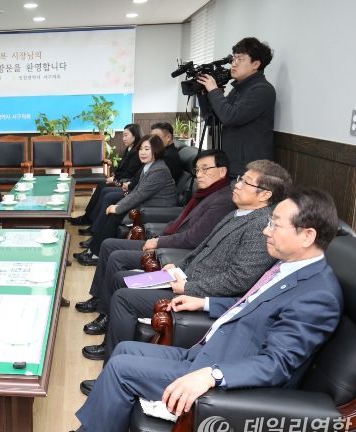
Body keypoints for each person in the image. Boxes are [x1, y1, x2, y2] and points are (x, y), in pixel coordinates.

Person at [33, 188, 342, 432]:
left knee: (121, 369)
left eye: (275, 224)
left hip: (227, 379)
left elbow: (277, 364)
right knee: (125, 350)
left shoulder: (317, 295)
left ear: (307, 235)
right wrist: (204, 302)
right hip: (208, 352)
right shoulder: (291, 267)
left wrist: (213, 375)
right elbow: (252, 306)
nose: (266, 230)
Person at [81, 159, 290, 367]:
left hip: (198, 292)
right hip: (184, 277)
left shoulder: (261, 227)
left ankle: (113, 362)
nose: (237, 184)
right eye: (240, 179)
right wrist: (178, 266)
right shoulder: (239, 212)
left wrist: (188, 287)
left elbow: (239, 279)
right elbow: (203, 248)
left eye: (246, 182)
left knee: (123, 299)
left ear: (265, 194)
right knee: (120, 279)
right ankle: (110, 343)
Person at [75, 149, 235, 335]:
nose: (199, 174)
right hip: (170, 244)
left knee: (117, 256)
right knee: (109, 245)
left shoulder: (221, 201)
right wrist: (159, 237)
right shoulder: (205, 193)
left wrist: (160, 242)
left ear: (222, 171)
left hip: (177, 252)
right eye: (197, 169)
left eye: (205, 169)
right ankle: (99, 299)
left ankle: (105, 314)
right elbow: (180, 222)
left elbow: (193, 238)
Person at [74, 135, 176, 266]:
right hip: (147, 205)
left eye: (147, 149)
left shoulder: (159, 170)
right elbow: (137, 192)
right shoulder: (150, 166)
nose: (142, 152)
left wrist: (117, 208)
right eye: (141, 149)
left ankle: (96, 254)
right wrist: (117, 206)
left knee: (115, 214)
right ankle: (93, 249)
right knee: (112, 210)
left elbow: (139, 195)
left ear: (156, 150)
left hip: (156, 210)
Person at [198, 37, 275, 177]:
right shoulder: (238, 89)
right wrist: (203, 93)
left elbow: (230, 117)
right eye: (233, 59)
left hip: (248, 170)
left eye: (240, 59)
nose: (233, 64)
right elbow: (214, 119)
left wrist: (214, 90)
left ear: (255, 64)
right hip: (233, 165)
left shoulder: (262, 89)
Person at [68, 123, 143, 226]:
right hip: (121, 179)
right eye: (123, 135)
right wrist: (114, 176)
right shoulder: (129, 148)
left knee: (103, 187)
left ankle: (90, 220)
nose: (123, 138)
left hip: (127, 183)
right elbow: (121, 168)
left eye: (126, 135)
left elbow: (130, 172)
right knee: (101, 185)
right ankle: (87, 217)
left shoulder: (137, 152)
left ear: (135, 135)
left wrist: (114, 179)